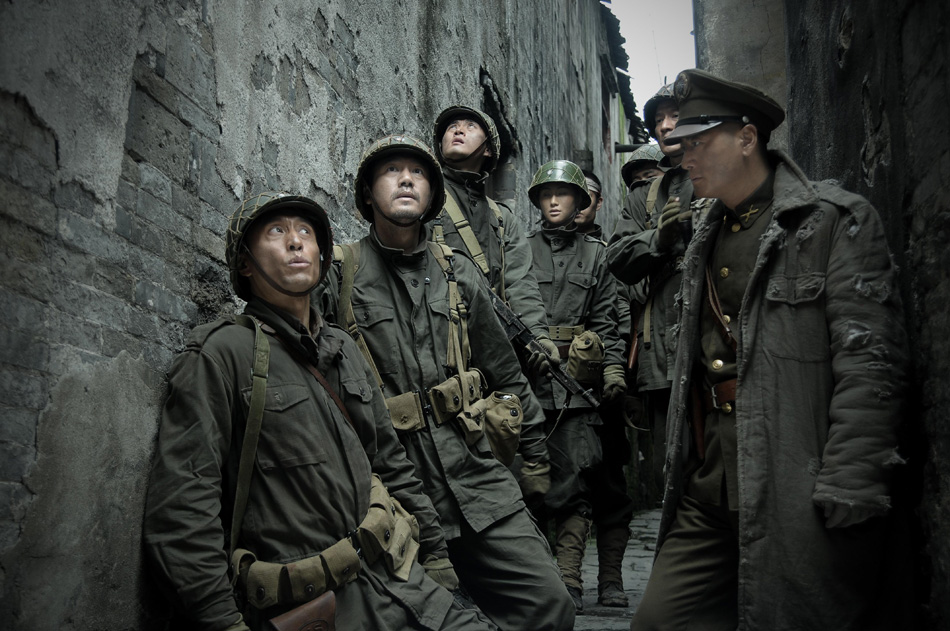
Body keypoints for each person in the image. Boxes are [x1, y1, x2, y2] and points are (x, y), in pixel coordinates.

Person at [630, 68, 908, 631]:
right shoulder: (702, 235)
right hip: (710, 481)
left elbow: (869, 360)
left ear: (746, 138)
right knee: (658, 621)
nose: (683, 156)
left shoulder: (830, 221)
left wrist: (853, 475)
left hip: (793, 475)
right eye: (680, 144)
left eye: (698, 142)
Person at [144, 192, 494, 631]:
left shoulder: (342, 347)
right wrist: (223, 622)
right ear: (245, 264)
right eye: (277, 232)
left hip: (402, 580)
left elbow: (390, 461)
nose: (296, 242)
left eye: (306, 232)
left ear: (322, 257)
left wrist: (437, 558)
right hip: (320, 611)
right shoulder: (221, 354)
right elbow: (183, 507)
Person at [315, 134, 575, 631]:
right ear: (367, 192)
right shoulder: (340, 273)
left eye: (418, 172)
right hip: (391, 487)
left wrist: (535, 456)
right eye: (391, 171)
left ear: (432, 193)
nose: (406, 180)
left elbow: (504, 371)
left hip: (475, 476)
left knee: (550, 605)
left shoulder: (458, 274)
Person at [525, 160, 627, 612]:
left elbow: (607, 322)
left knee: (575, 482)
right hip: (528, 383)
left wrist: (613, 372)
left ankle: (569, 580)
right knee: (527, 484)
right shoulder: (520, 250)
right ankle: (537, 582)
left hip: (576, 389)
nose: (553, 202)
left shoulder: (597, 256)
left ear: (579, 201)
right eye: (546, 194)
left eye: (562, 194)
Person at [606, 83, 708, 505]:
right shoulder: (645, 197)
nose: (664, 126)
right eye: (657, 120)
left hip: (717, 339)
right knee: (677, 470)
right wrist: (659, 239)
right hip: (663, 348)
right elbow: (617, 256)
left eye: (674, 115)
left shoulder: (720, 175)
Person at [431, 105, 559, 375]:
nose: (458, 130)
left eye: (470, 126)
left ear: (488, 149)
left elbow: (520, 283)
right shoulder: (425, 200)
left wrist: (538, 335)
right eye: (451, 127)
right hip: (435, 341)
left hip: (491, 349)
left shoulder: (502, 218)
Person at [574, 169, 636, 608]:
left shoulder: (613, 254)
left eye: (586, 195)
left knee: (610, 484)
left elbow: (619, 320)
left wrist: (616, 376)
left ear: (596, 203)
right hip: (555, 392)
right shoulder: (529, 249)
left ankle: (611, 579)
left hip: (605, 390)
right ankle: (566, 578)